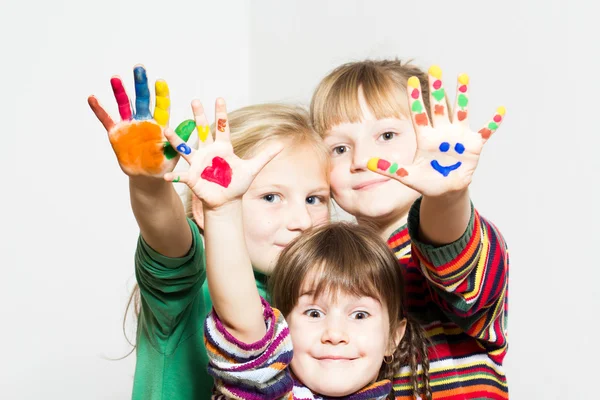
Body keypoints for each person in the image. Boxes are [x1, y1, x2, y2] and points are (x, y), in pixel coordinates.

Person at [88, 65, 331, 399]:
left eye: (315, 199)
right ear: (204, 208)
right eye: (271, 197)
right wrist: (148, 183)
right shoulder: (192, 280)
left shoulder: (323, 295)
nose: (301, 220)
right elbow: (166, 234)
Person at [162, 101, 432, 399]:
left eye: (359, 315)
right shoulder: (273, 390)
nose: (335, 335)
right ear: (282, 329)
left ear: (394, 337)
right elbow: (243, 326)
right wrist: (222, 210)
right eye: (314, 313)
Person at [309, 60, 509, 398]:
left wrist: (447, 194)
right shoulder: (328, 263)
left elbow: (450, 254)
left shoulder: (456, 236)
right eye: (340, 148)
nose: (362, 159)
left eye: (386, 135)